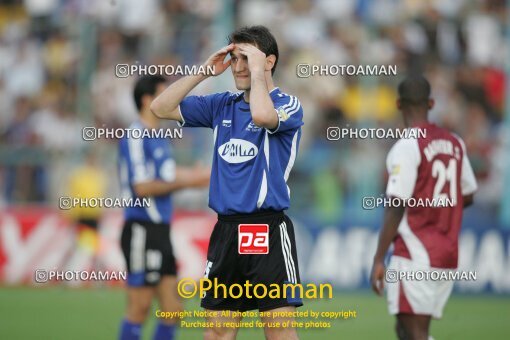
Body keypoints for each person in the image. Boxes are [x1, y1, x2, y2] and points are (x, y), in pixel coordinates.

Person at [151, 25, 304, 340]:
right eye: (235, 58)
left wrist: (258, 73)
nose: (238, 66)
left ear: (269, 61)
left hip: (266, 230)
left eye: (247, 58)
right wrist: (204, 72)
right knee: (218, 332)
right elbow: (160, 108)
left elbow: (262, 116)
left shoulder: (288, 105)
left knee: (279, 333)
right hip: (226, 231)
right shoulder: (221, 104)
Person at [370, 75, 478, 340]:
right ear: (431, 103)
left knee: (416, 333)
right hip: (446, 253)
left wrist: (377, 259)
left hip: (415, 252)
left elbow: (396, 204)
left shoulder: (407, 145)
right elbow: (468, 195)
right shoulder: (455, 143)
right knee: (406, 330)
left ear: (398, 104)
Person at [118, 75, 210, 340]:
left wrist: (195, 176)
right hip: (141, 229)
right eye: (162, 93)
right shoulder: (136, 135)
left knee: (172, 310)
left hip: (159, 231)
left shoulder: (158, 136)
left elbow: (167, 174)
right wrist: (189, 182)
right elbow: (142, 187)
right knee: (140, 307)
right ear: (148, 100)